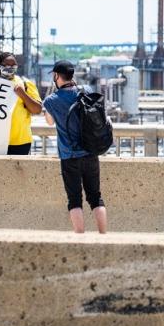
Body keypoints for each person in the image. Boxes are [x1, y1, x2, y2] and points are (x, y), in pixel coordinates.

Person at [43, 60, 108, 234]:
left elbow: (49, 122)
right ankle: (104, 235)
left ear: (57, 76)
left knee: (74, 200)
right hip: (90, 152)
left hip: (69, 156)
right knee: (95, 198)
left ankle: (80, 237)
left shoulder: (51, 100)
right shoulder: (85, 91)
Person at [0, 52, 42, 155]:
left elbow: (37, 110)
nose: (11, 67)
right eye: (7, 65)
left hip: (20, 142)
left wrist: (23, 94)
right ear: (0, 66)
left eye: (13, 65)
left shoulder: (25, 84)